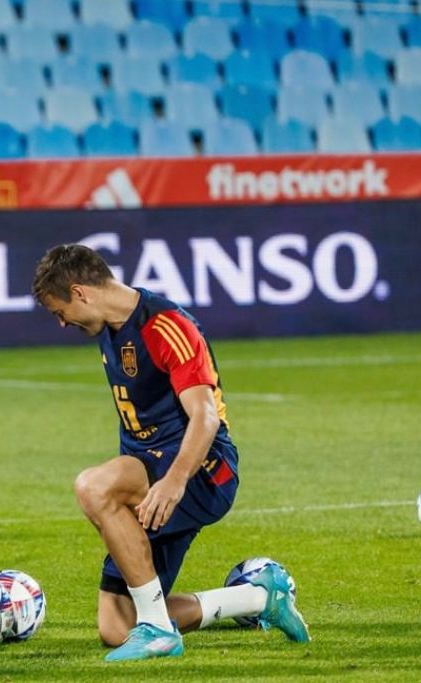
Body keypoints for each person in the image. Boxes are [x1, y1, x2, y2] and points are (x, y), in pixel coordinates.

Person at [30, 244, 310, 662]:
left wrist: (174, 482)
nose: (61, 323)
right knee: (115, 627)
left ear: (81, 292)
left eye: (59, 311)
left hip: (201, 470)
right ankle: (256, 599)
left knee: (94, 487)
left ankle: (159, 629)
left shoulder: (166, 326)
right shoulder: (110, 326)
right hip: (154, 471)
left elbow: (205, 416)